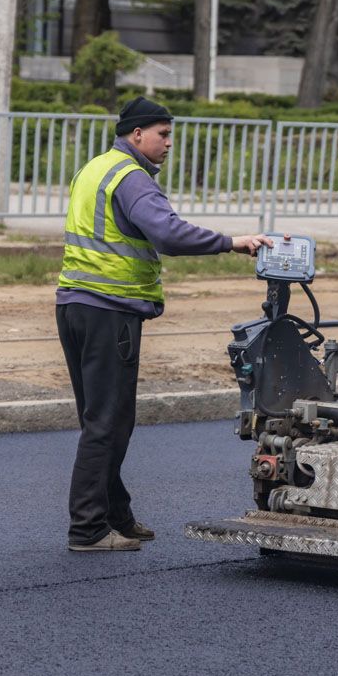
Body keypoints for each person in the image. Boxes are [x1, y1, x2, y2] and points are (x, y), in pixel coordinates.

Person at [56, 96, 271, 552]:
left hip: (75, 306)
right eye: (163, 134)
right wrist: (232, 242)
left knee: (102, 419)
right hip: (109, 310)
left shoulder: (95, 168)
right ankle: (88, 530)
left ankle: (116, 514)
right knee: (108, 422)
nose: (169, 143)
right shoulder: (132, 179)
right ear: (137, 135)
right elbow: (169, 234)